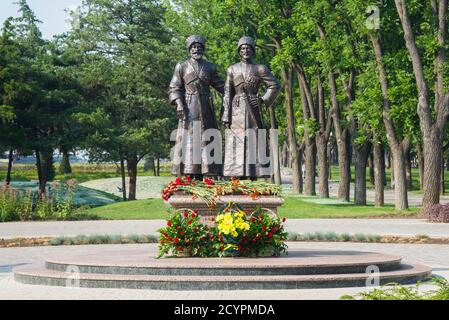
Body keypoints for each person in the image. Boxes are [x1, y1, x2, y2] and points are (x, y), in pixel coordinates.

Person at [221, 36, 280, 179]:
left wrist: (263, 100)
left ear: (253, 51)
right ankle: (236, 177)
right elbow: (228, 93)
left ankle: (253, 176)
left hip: (253, 112)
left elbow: (275, 85)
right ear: (239, 51)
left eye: (248, 48)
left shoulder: (260, 69)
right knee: (236, 144)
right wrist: (225, 115)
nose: (245, 50)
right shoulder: (232, 69)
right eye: (243, 48)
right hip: (236, 112)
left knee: (254, 143)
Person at [168, 35, 224, 180]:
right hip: (189, 107)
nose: (196, 49)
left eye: (199, 47)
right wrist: (179, 103)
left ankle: (209, 174)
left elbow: (221, 86)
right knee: (190, 140)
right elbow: (174, 88)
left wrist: (238, 92)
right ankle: (189, 174)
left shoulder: (210, 67)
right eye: (193, 47)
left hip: (206, 107)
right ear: (189, 49)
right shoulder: (182, 66)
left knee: (208, 139)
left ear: (203, 49)